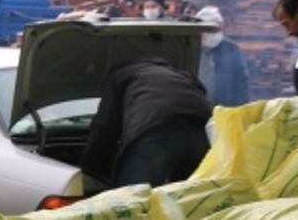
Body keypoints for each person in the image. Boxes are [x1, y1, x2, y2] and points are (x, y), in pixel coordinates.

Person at [80, 57, 214, 187]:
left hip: (157, 133)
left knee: (132, 201)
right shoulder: (182, 75)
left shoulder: (121, 74)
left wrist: (89, 166)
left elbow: (105, 126)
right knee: (196, 200)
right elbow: (201, 93)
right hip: (203, 131)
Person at [194, 6, 250, 106]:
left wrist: (240, 108)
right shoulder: (189, 46)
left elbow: (241, 81)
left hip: (223, 108)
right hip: (194, 107)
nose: (211, 34)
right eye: (209, 30)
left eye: (216, 29)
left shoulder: (231, 49)